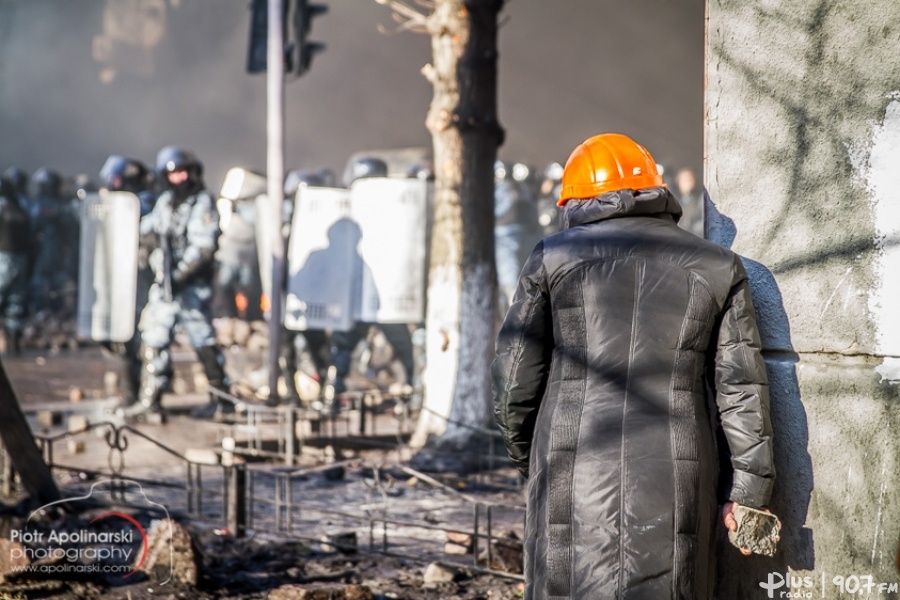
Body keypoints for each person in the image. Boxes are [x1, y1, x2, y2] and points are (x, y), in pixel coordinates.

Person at [491, 133, 776, 599]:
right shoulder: (717, 266)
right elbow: (742, 386)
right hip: (680, 472)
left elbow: (513, 376)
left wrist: (530, 459)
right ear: (655, 191)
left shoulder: (553, 258)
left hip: (570, 464)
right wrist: (748, 493)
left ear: (576, 199)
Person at [119, 146, 231, 422]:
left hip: (190, 287)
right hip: (165, 286)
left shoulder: (202, 202)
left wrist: (181, 275)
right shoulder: (166, 201)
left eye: (183, 173)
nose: (179, 179)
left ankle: (222, 401)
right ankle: (150, 399)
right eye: (173, 174)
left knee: (202, 339)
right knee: (152, 338)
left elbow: (204, 246)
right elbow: (150, 227)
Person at [97, 155, 157, 406]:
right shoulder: (119, 202)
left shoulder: (147, 202)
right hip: (122, 278)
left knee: (143, 337)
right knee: (124, 336)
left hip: (144, 279)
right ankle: (132, 392)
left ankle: (145, 395)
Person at [0, 175, 33, 355]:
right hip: (21, 260)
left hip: (3, 259)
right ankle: (14, 344)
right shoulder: (20, 206)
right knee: (15, 303)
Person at [674, 166, 704, 237]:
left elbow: (704, 222)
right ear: (678, 182)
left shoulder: (701, 200)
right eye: (684, 180)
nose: (688, 182)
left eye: (690, 179)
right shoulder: (673, 203)